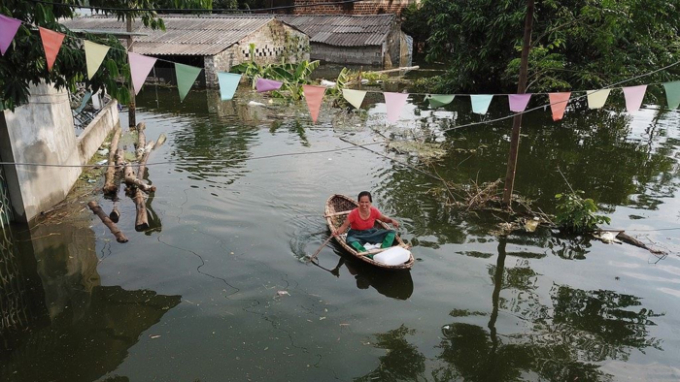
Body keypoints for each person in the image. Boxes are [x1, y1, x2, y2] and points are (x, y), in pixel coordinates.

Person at [333, 191, 400, 257]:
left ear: (370, 202)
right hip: (356, 235)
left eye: (366, 202)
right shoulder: (353, 213)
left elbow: (384, 219)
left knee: (391, 233)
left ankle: (382, 250)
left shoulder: (374, 211)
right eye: (362, 202)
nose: (364, 205)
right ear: (358, 202)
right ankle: (370, 256)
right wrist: (337, 232)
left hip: (370, 233)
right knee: (351, 241)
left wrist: (391, 220)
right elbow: (344, 226)